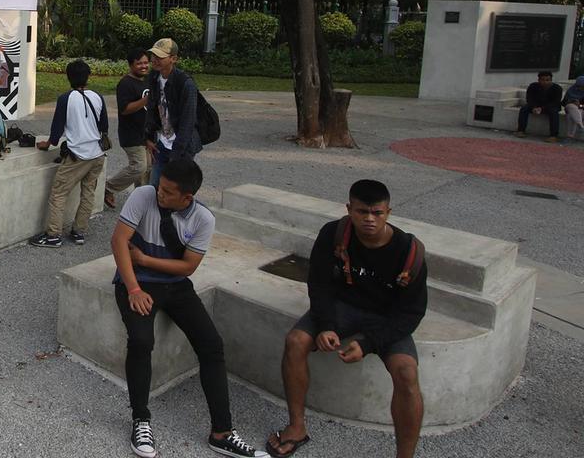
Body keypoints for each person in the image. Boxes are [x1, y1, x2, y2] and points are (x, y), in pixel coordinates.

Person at [111, 159, 266, 458]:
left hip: (174, 284)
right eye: (160, 187)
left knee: (212, 345)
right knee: (142, 340)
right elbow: (119, 241)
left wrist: (145, 260)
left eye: (169, 192)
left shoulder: (203, 219)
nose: (160, 194)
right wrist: (133, 288)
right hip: (137, 282)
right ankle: (141, 419)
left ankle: (222, 432)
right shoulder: (143, 195)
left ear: (188, 197)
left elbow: (187, 267)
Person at [266, 179, 427, 458]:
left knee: (406, 372)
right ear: (349, 209)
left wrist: (368, 343)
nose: (369, 219)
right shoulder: (334, 234)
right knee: (296, 341)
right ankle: (296, 427)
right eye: (362, 211)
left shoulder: (409, 251)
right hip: (342, 308)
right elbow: (319, 284)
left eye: (377, 213)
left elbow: (411, 313)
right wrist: (326, 325)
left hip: (385, 317)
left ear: (389, 212)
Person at [28, 60, 108, 248]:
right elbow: (104, 126)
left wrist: (47, 144)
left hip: (78, 155)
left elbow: (56, 130)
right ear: (88, 77)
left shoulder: (66, 98)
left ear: (68, 77)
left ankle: (53, 235)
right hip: (97, 154)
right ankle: (79, 231)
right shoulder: (97, 96)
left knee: (58, 193)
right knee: (88, 193)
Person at [144, 38, 202, 184]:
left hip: (181, 147)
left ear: (173, 59)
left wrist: (177, 153)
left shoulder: (185, 83)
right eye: (153, 56)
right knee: (155, 187)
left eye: (160, 57)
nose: (155, 60)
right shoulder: (154, 77)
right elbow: (152, 108)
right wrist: (149, 137)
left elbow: (188, 121)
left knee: (176, 189)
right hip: (162, 143)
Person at [105, 48, 152, 209]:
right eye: (139, 63)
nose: (144, 66)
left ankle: (141, 200)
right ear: (131, 65)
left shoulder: (147, 80)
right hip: (131, 133)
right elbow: (125, 109)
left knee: (147, 169)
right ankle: (108, 187)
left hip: (146, 133)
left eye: (146, 62)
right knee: (139, 166)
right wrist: (146, 100)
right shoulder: (125, 84)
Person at [514, 71, 563, 142]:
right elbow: (529, 98)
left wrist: (542, 108)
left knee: (554, 112)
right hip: (535, 106)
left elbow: (555, 102)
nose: (545, 82)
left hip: (550, 107)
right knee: (524, 109)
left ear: (551, 80)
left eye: (548, 80)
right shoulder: (533, 86)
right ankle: (520, 131)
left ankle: (553, 135)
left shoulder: (557, 88)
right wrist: (534, 107)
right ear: (539, 80)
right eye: (543, 80)